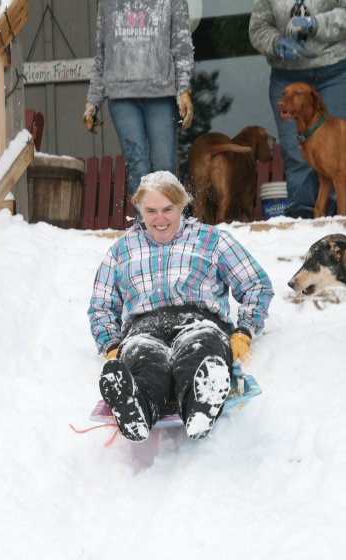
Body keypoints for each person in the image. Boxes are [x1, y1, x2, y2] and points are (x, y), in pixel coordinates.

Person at [88, 171, 274, 443]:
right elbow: (101, 307)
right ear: (140, 209)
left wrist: (245, 330)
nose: (160, 219)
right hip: (143, 329)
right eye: (151, 211)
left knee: (199, 351)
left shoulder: (211, 240)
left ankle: (200, 406)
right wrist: (112, 345)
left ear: (182, 206)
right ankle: (136, 407)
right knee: (144, 360)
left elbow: (257, 284)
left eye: (167, 210)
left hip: (200, 322)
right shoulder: (121, 251)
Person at [248, 0, 346, 218]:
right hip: (288, 75)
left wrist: (315, 24)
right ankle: (302, 230)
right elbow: (258, 27)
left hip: (339, 70)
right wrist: (276, 43)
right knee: (297, 157)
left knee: (342, 154)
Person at [83, 0, 195, 201]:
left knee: (165, 166)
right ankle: (144, 223)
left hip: (160, 93)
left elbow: (182, 47)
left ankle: (166, 224)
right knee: (137, 166)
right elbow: (101, 54)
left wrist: (183, 89)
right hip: (121, 94)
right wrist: (93, 99)